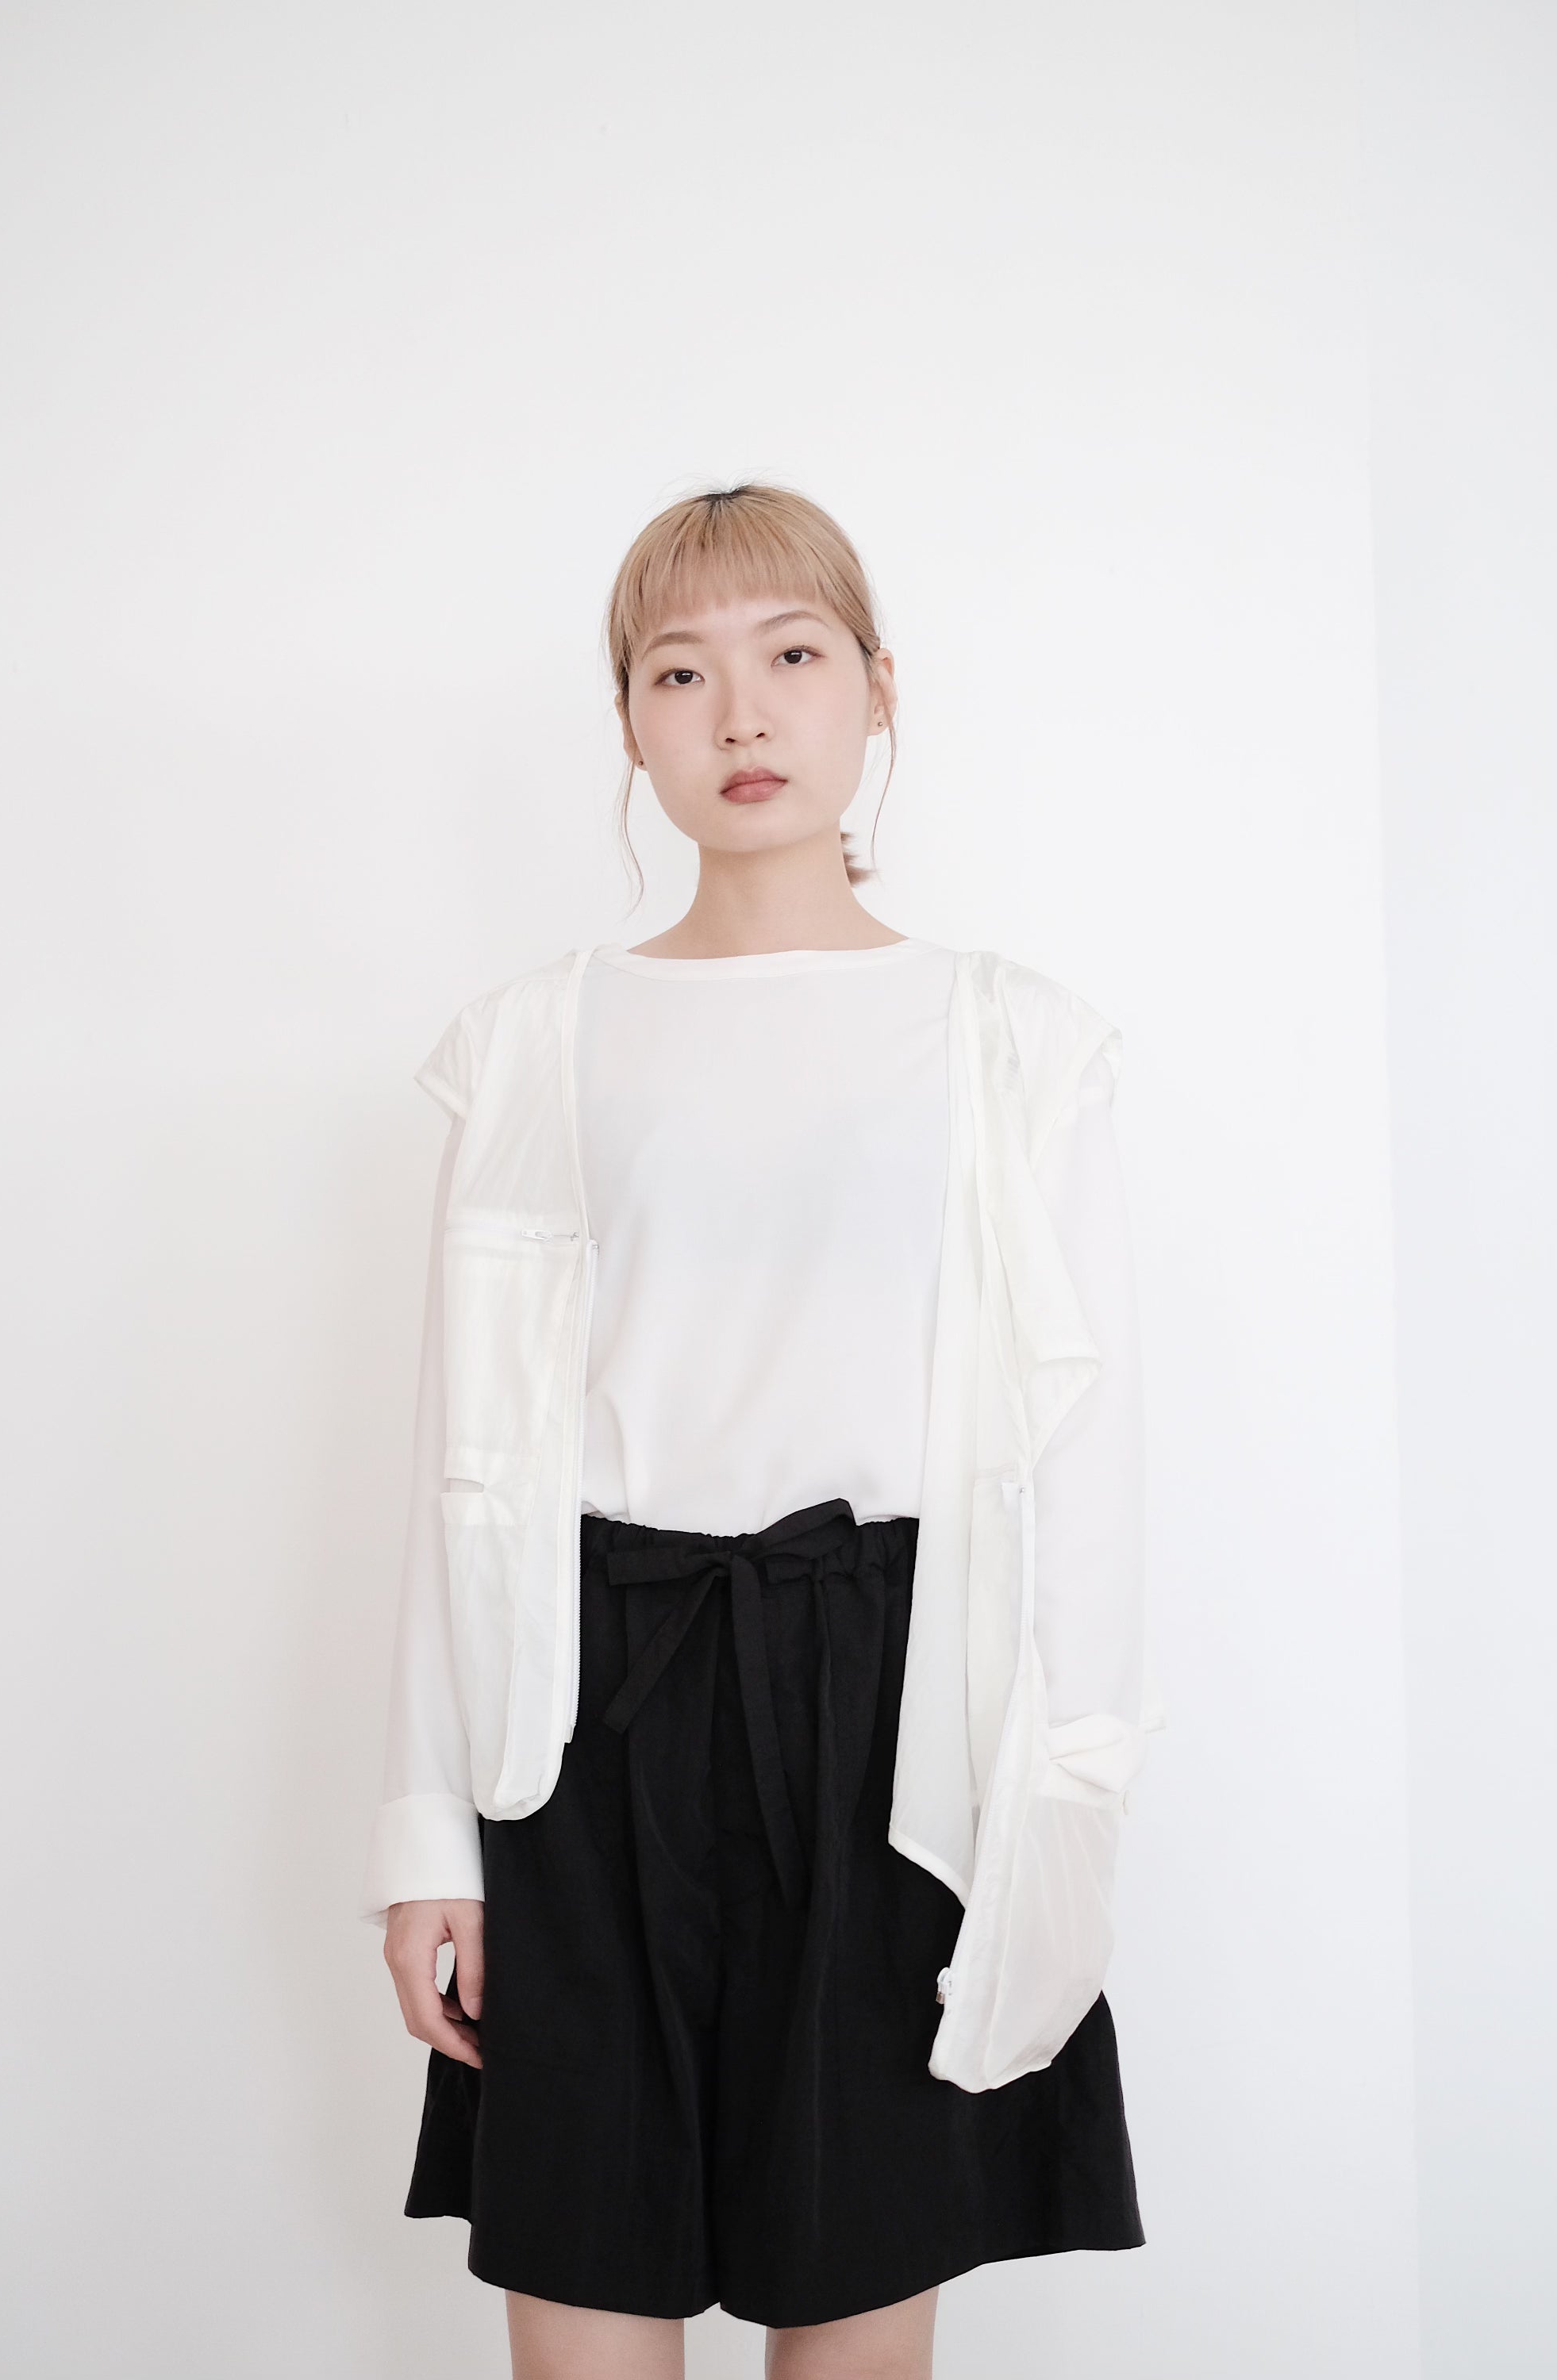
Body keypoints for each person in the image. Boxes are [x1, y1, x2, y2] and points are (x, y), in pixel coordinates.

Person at [359, 484, 1162, 2380]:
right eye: (680, 671)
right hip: (581, 1716)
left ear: (878, 688)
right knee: (582, 2305)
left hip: (897, 1713)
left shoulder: (1011, 1041)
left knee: (858, 2309)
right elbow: (465, 1471)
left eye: (792, 655)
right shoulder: (532, 1041)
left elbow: (1088, 1471)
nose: (741, 713)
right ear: (626, 724)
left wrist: (1063, 1821)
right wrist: (425, 1838)